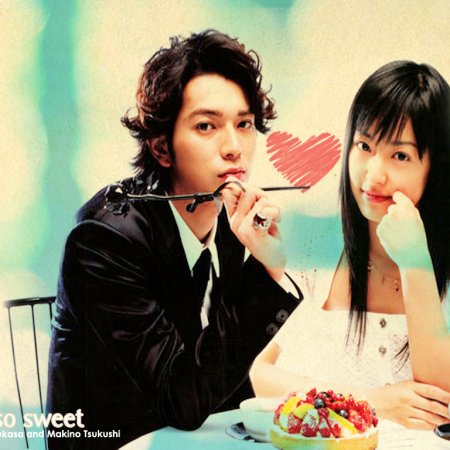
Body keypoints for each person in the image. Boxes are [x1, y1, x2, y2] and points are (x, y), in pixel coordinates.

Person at [46, 29, 300, 449]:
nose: (234, 147)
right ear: (162, 148)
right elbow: (181, 399)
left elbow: (226, 387)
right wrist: (266, 272)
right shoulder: (103, 241)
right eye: (206, 126)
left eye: (244, 124)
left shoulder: (231, 224)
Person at [250, 60, 450, 430]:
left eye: (400, 155)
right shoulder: (321, 253)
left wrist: (415, 262)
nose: (374, 175)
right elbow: (262, 376)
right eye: (364, 145)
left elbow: (441, 407)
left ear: (435, 168)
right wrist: (371, 402)